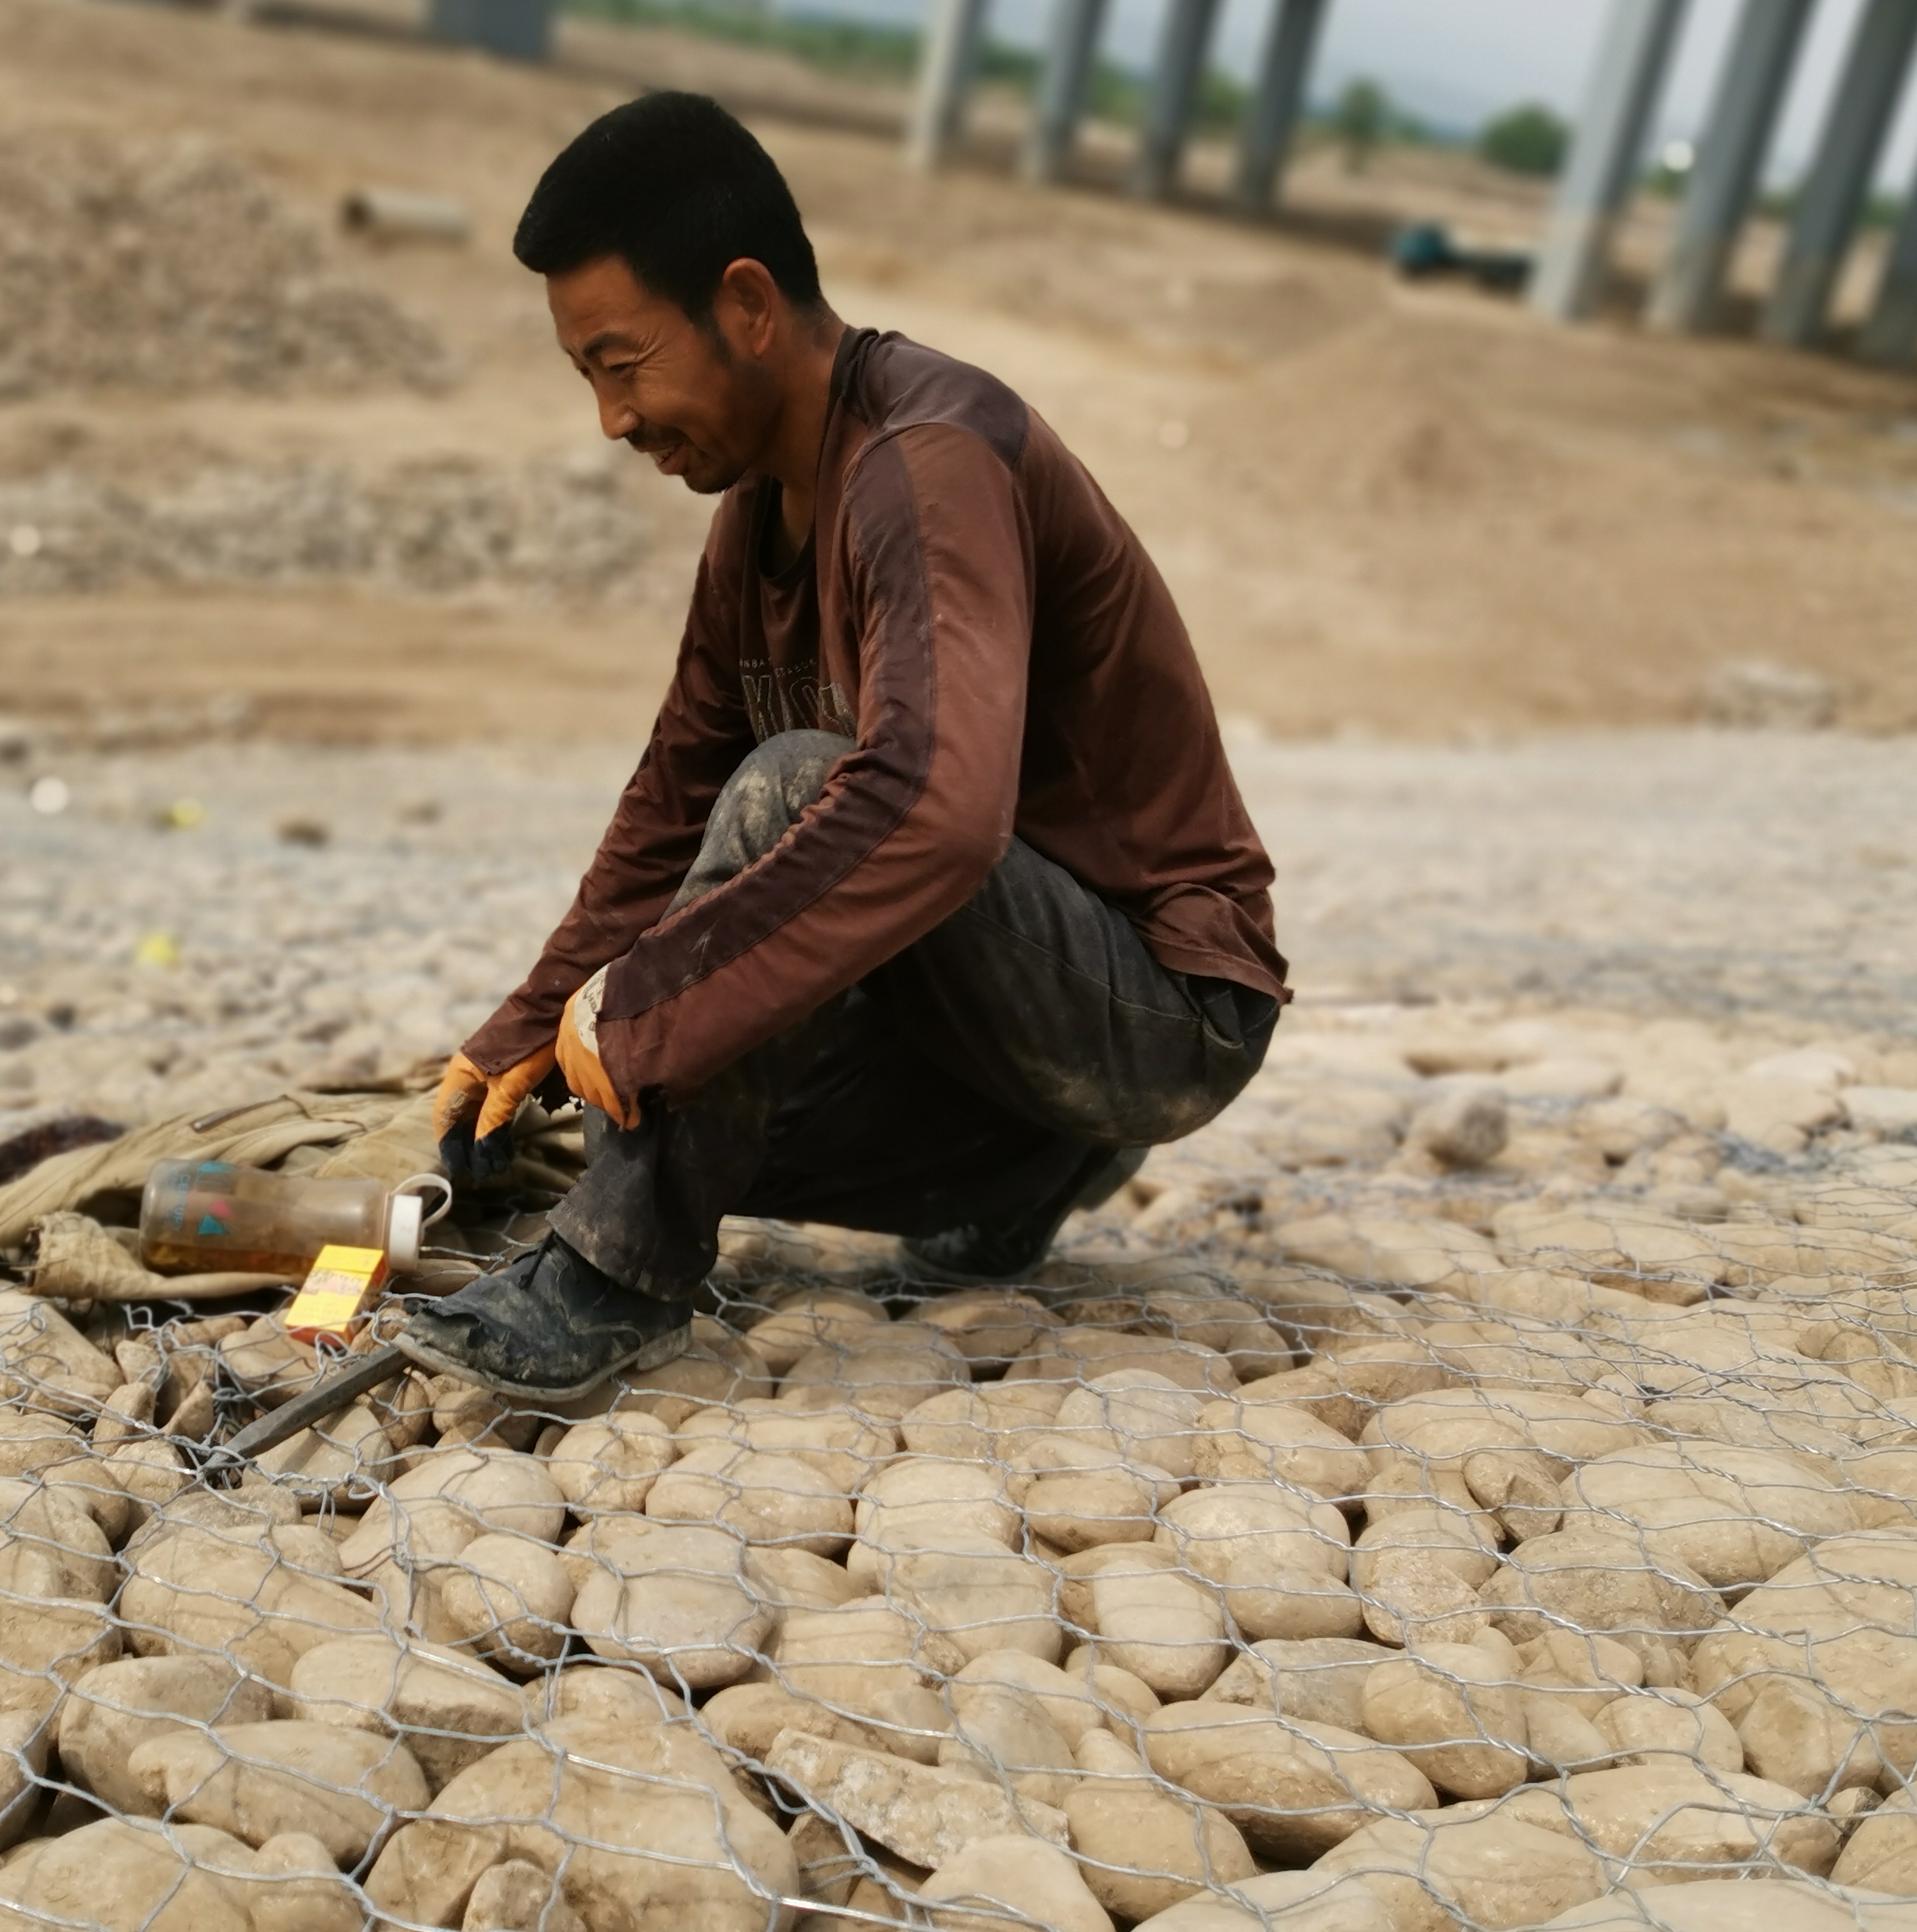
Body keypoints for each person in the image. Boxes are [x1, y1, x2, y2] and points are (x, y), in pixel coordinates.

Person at [399, 92, 1284, 1403]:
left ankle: (610, 1289)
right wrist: (530, 1028)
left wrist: (640, 1012)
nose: (610, 419)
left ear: (747, 305)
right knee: (664, 1101)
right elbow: (672, 798)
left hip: (1158, 1004)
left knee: (795, 797)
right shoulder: (754, 512)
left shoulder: (930, 462)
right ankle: (1037, 1166)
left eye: (622, 363)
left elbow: (934, 808)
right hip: (997, 1027)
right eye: (586, 376)